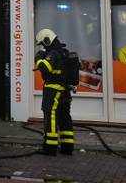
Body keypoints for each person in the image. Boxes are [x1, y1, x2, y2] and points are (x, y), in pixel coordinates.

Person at [34, 28, 77, 156]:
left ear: (47, 40)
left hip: (53, 91)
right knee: (65, 117)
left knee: (51, 116)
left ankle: (50, 148)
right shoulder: (63, 52)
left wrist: (39, 57)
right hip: (64, 91)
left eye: (43, 43)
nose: (42, 46)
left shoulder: (53, 54)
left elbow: (44, 68)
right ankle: (67, 146)